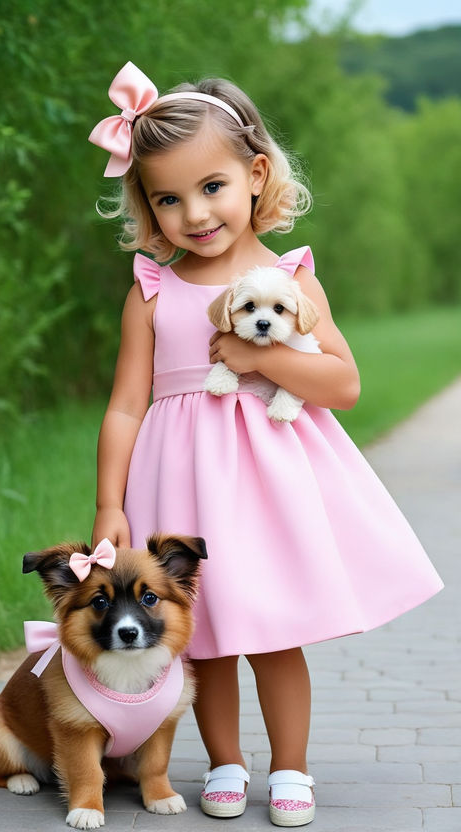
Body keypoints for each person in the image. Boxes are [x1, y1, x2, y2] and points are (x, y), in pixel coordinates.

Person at [88, 61, 443, 827]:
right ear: (148, 206)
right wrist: (108, 505)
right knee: (205, 639)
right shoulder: (153, 290)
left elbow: (342, 382)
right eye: (169, 198)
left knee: (275, 635)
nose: (195, 212)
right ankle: (224, 763)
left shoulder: (287, 276)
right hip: (182, 489)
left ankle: (291, 769)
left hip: (269, 489)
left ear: (253, 175)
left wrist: (257, 358)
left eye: (211, 187)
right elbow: (124, 407)